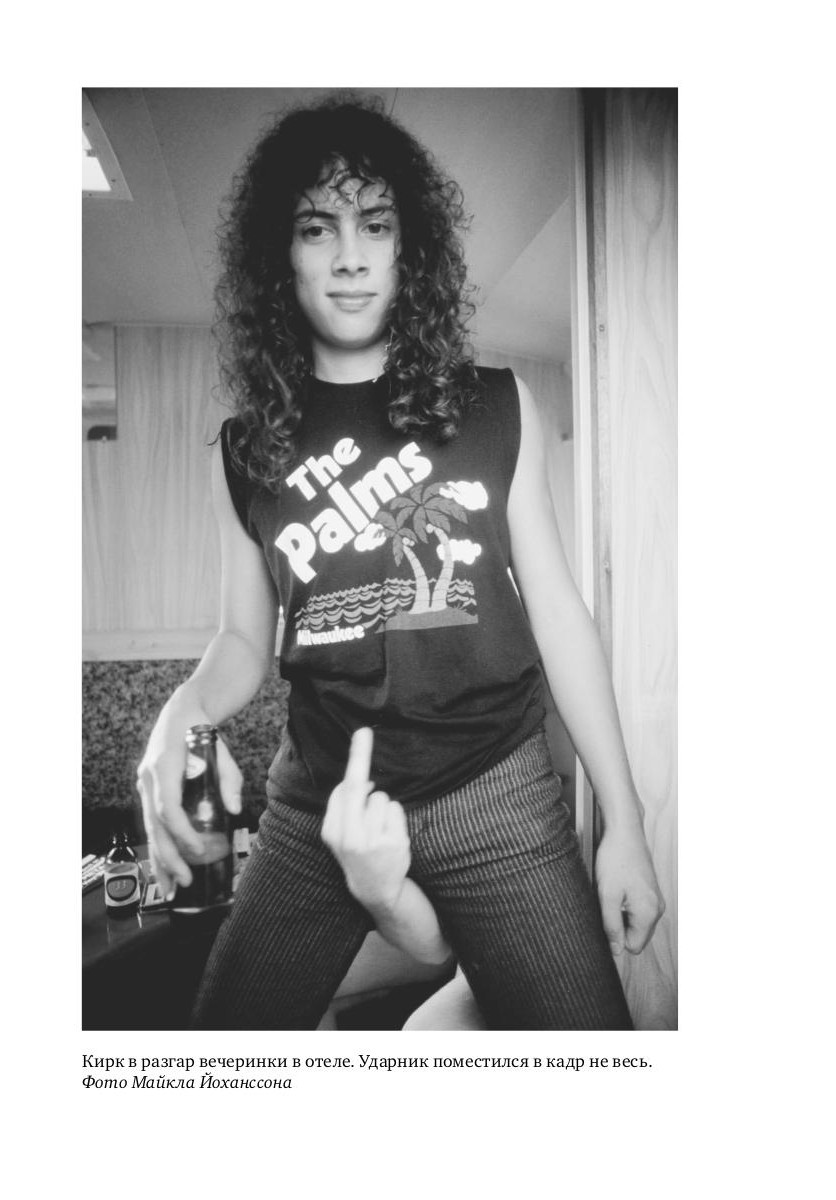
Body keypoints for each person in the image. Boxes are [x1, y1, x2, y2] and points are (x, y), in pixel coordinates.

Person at [136, 93, 664, 1030]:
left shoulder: (498, 406)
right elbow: (243, 641)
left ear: (407, 245)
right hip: (320, 804)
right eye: (317, 228)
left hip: (497, 794)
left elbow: (558, 614)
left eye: (374, 224)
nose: (349, 256)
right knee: (219, 1054)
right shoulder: (243, 451)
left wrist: (625, 822)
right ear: (280, 255)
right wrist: (182, 709)